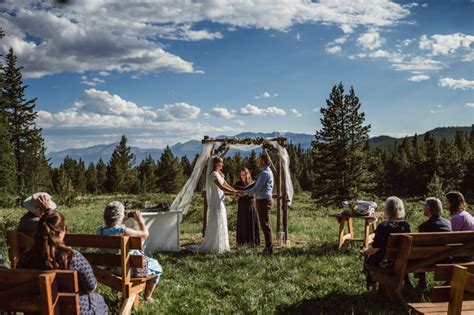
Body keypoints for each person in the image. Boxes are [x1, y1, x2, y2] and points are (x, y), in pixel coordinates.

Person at [18, 210, 108, 315]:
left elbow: (19, 283)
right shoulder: (73, 257)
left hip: (37, 311)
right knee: (99, 300)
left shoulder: (26, 257)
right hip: (73, 310)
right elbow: (91, 286)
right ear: (61, 233)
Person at [98, 201, 162, 300]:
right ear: (120, 217)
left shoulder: (100, 231)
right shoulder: (124, 232)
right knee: (156, 266)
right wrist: (140, 221)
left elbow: (112, 228)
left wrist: (122, 219)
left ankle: (116, 291)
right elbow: (145, 234)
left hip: (111, 268)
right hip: (129, 270)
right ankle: (147, 297)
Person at [364, 196, 410, 290]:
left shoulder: (383, 226)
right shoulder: (405, 225)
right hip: (402, 260)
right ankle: (405, 283)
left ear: (387, 210)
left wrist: (365, 252)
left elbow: (375, 248)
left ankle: (372, 286)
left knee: (368, 259)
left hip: (385, 261)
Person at [198, 157, 239, 254]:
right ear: (216, 164)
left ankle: (221, 244)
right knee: (216, 220)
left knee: (222, 219)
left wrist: (235, 191)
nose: (222, 165)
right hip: (215, 199)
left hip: (221, 199)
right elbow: (221, 187)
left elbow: (226, 184)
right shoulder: (213, 175)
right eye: (221, 163)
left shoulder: (220, 174)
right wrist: (234, 192)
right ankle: (214, 245)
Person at [239, 154, 274, 255]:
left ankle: (269, 248)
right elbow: (255, 184)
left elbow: (256, 189)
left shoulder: (264, 174)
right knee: (265, 224)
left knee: (265, 225)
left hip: (263, 201)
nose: (257, 161)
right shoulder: (265, 172)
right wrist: (245, 189)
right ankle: (268, 247)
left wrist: (244, 192)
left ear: (263, 161)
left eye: (259, 160)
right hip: (262, 200)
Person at [416, 197, 452, 288]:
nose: (423, 208)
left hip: (429, 260)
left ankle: (422, 282)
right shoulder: (448, 223)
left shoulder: (424, 227)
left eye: (424, 206)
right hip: (447, 258)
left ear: (428, 208)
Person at [234, 167, 260, 246]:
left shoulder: (252, 183)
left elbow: (255, 192)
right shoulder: (238, 183)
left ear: (248, 174)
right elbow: (235, 195)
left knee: (251, 222)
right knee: (243, 223)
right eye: (241, 174)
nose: (243, 176)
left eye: (244, 174)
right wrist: (237, 193)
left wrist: (248, 191)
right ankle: (242, 242)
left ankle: (252, 242)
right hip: (242, 205)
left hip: (251, 204)